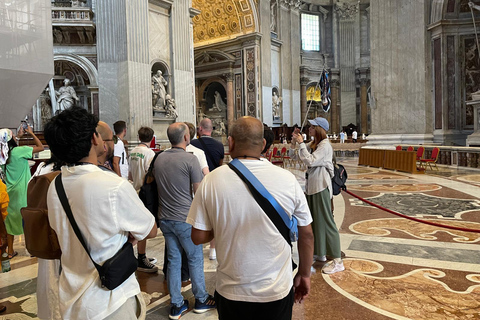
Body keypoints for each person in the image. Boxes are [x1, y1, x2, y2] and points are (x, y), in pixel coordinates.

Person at [188, 116, 314, 320]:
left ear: (230, 142)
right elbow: (306, 234)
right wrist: (305, 274)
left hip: (232, 292)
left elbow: (197, 236)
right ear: (263, 144)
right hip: (276, 290)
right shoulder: (288, 180)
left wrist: (222, 224)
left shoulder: (211, 180)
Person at [44, 106, 157, 319]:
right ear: (95, 139)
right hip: (109, 302)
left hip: (71, 299)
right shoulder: (113, 185)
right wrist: (128, 237)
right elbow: (150, 229)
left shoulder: (55, 185)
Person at [154, 122, 216, 319]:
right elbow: (198, 193)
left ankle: (177, 304)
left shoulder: (159, 158)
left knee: (173, 260)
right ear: (186, 138)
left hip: (165, 217)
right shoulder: (190, 160)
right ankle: (201, 299)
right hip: (185, 217)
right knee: (195, 258)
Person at [290, 117, 344, 274]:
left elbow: (311, 161)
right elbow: (295, 156)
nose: (309, 129)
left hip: (321, 187)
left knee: (327, 222)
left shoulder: (325, 146)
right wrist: (294, 143)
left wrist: (301, 143)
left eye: (312, 127)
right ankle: (320, 254)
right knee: (315, 221)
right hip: (312, 188)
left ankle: (338, 261)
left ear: (319, 129)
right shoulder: (315, 144)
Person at [0, 126, 44, 259]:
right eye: (13, 136)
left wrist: (17, 137)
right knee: (27, 219)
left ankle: (10, 251)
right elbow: (41, 147)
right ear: (11, 140)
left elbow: (10, 148)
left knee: (10, 221)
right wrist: (31, 133)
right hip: (22, 191)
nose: (15, 137)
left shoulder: (3, 154)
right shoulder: (20, 151)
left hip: (9, 191)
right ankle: (31, 250)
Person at [128, 126, 158, 273]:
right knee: (144, 226)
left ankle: (139, 255)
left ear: (139, 137)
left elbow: (130, 176)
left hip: (134, 190)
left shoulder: (132, 152)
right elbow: (149, 174)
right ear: (152, 139)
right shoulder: (149, 153)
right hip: (144, 193)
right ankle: (141, 257)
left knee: (136, 224)